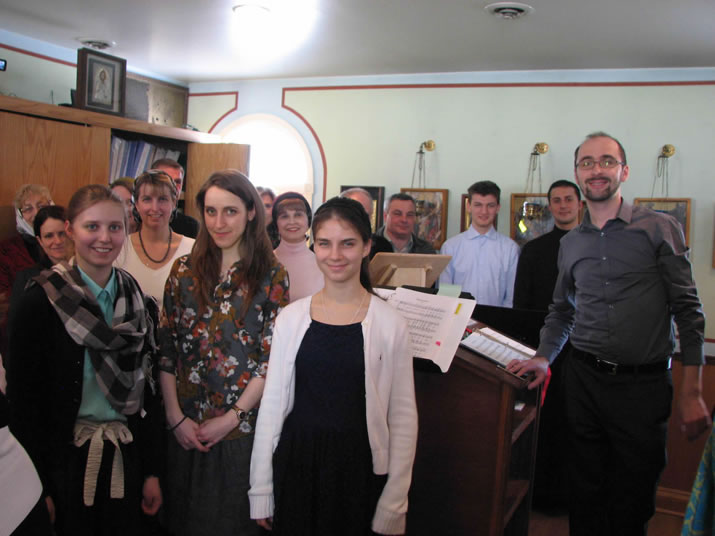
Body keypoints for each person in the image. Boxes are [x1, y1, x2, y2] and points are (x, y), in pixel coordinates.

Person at [507, 132, 710, 536]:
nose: (596, 170)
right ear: (578, 173)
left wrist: (692, 392)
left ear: (624, 171)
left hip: (643, 387)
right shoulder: (571, 243)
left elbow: (689, 312)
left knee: (632, 500)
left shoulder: (659, 228)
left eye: (606, 161)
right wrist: (544, 357)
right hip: (583, 382)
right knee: (584, 496)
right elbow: (562, 311)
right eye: (587, 162)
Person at [249, 197, 418, 535]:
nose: (335, 255)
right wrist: (261, 489)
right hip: (297, 464)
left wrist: (395, 501)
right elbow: (272, 406)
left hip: (359, 470)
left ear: (367, 247)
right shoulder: (291, 319)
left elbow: (402, 418)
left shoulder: (390, 323)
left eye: (348, 243)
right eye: (325, 243)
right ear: (314, 246)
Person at [6, 184, 163, 535]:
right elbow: (24, 404)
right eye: (92, 226)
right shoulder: (39, 302)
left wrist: (152, 471)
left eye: (115, 227)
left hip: (126, 455)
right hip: (64, 464)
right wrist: (39, 485)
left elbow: (149, 394)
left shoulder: (137, 300)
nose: (104, 238)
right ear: (70, 230)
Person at [158, 169, 289, 536]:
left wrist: (232, 417)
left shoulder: (272, 275)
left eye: (230, 211)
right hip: (184, 427)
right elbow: (166, 348)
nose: (219, 222)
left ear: (251, 212)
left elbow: (270, 360)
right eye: (211, 211)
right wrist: (174, 416)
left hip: (238, 432)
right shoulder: (183, 270)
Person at [115, 170, 194, 307]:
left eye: (162, 199)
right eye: (147, 199)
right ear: (137, 204)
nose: (155, 208)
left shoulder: (193, 249)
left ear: (174, 203)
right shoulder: (119, 248)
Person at [439, 180, 519, 307]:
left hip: (497, 317)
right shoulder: (450, 247)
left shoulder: (510, 249)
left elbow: (511, 297)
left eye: (490, 205)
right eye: (478, 205)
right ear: (468, 206)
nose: (484, 211)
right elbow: (446, 296)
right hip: (460, 318)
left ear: (498, 208)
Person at [7, 206, 72, 360]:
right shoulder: (27, 279)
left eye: (62, 233)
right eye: (49, 236)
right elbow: (16, 336)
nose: (57, 241)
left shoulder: (88, 272)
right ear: (40, 241)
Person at [0, 184, 53, 354]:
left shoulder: (65, 244)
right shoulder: (6, 251)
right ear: (19, 215)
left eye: (41, 206)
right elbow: (5, 299)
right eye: (27, 209)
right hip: (23, 332)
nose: (36, 213)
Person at [514, 180, 582, 310]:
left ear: (579, 205)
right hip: (542, 321)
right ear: (550, 207)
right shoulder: (532, 250)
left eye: (568, 199)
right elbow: (520, 302)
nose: (563, 205)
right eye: (557, 201)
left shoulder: (595, 247)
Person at [271, 192, 324, 302]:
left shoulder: (323, 264)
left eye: (298, 215)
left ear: (308, 221)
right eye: (284, 216)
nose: (292, 222)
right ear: (276, 224)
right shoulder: (265, 262)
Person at [151, 158, 200, 238]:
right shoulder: (137, 222)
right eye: (167, 180)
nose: (173, 186)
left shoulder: (192, 227)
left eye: (177, 182)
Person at [339, 187, 392, 258]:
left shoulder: (382, 246)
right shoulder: (329, 243)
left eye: (365, 215)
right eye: (355, 214)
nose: (360, 220)